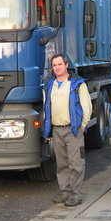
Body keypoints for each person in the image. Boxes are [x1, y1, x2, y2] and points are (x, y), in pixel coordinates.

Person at [43, 54, 92, 207]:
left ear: (66, 65)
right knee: (62, 163)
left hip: (73, 129)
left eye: (60, 64)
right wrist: (48, 130)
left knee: (75, 163)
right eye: (54, 65)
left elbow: (87, 107)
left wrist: (83, 125)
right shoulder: (50, 84)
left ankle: (76, 195)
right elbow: (47, 108)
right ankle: (65, 192)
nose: (57, 67)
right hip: (57, 130)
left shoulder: (77, 84)